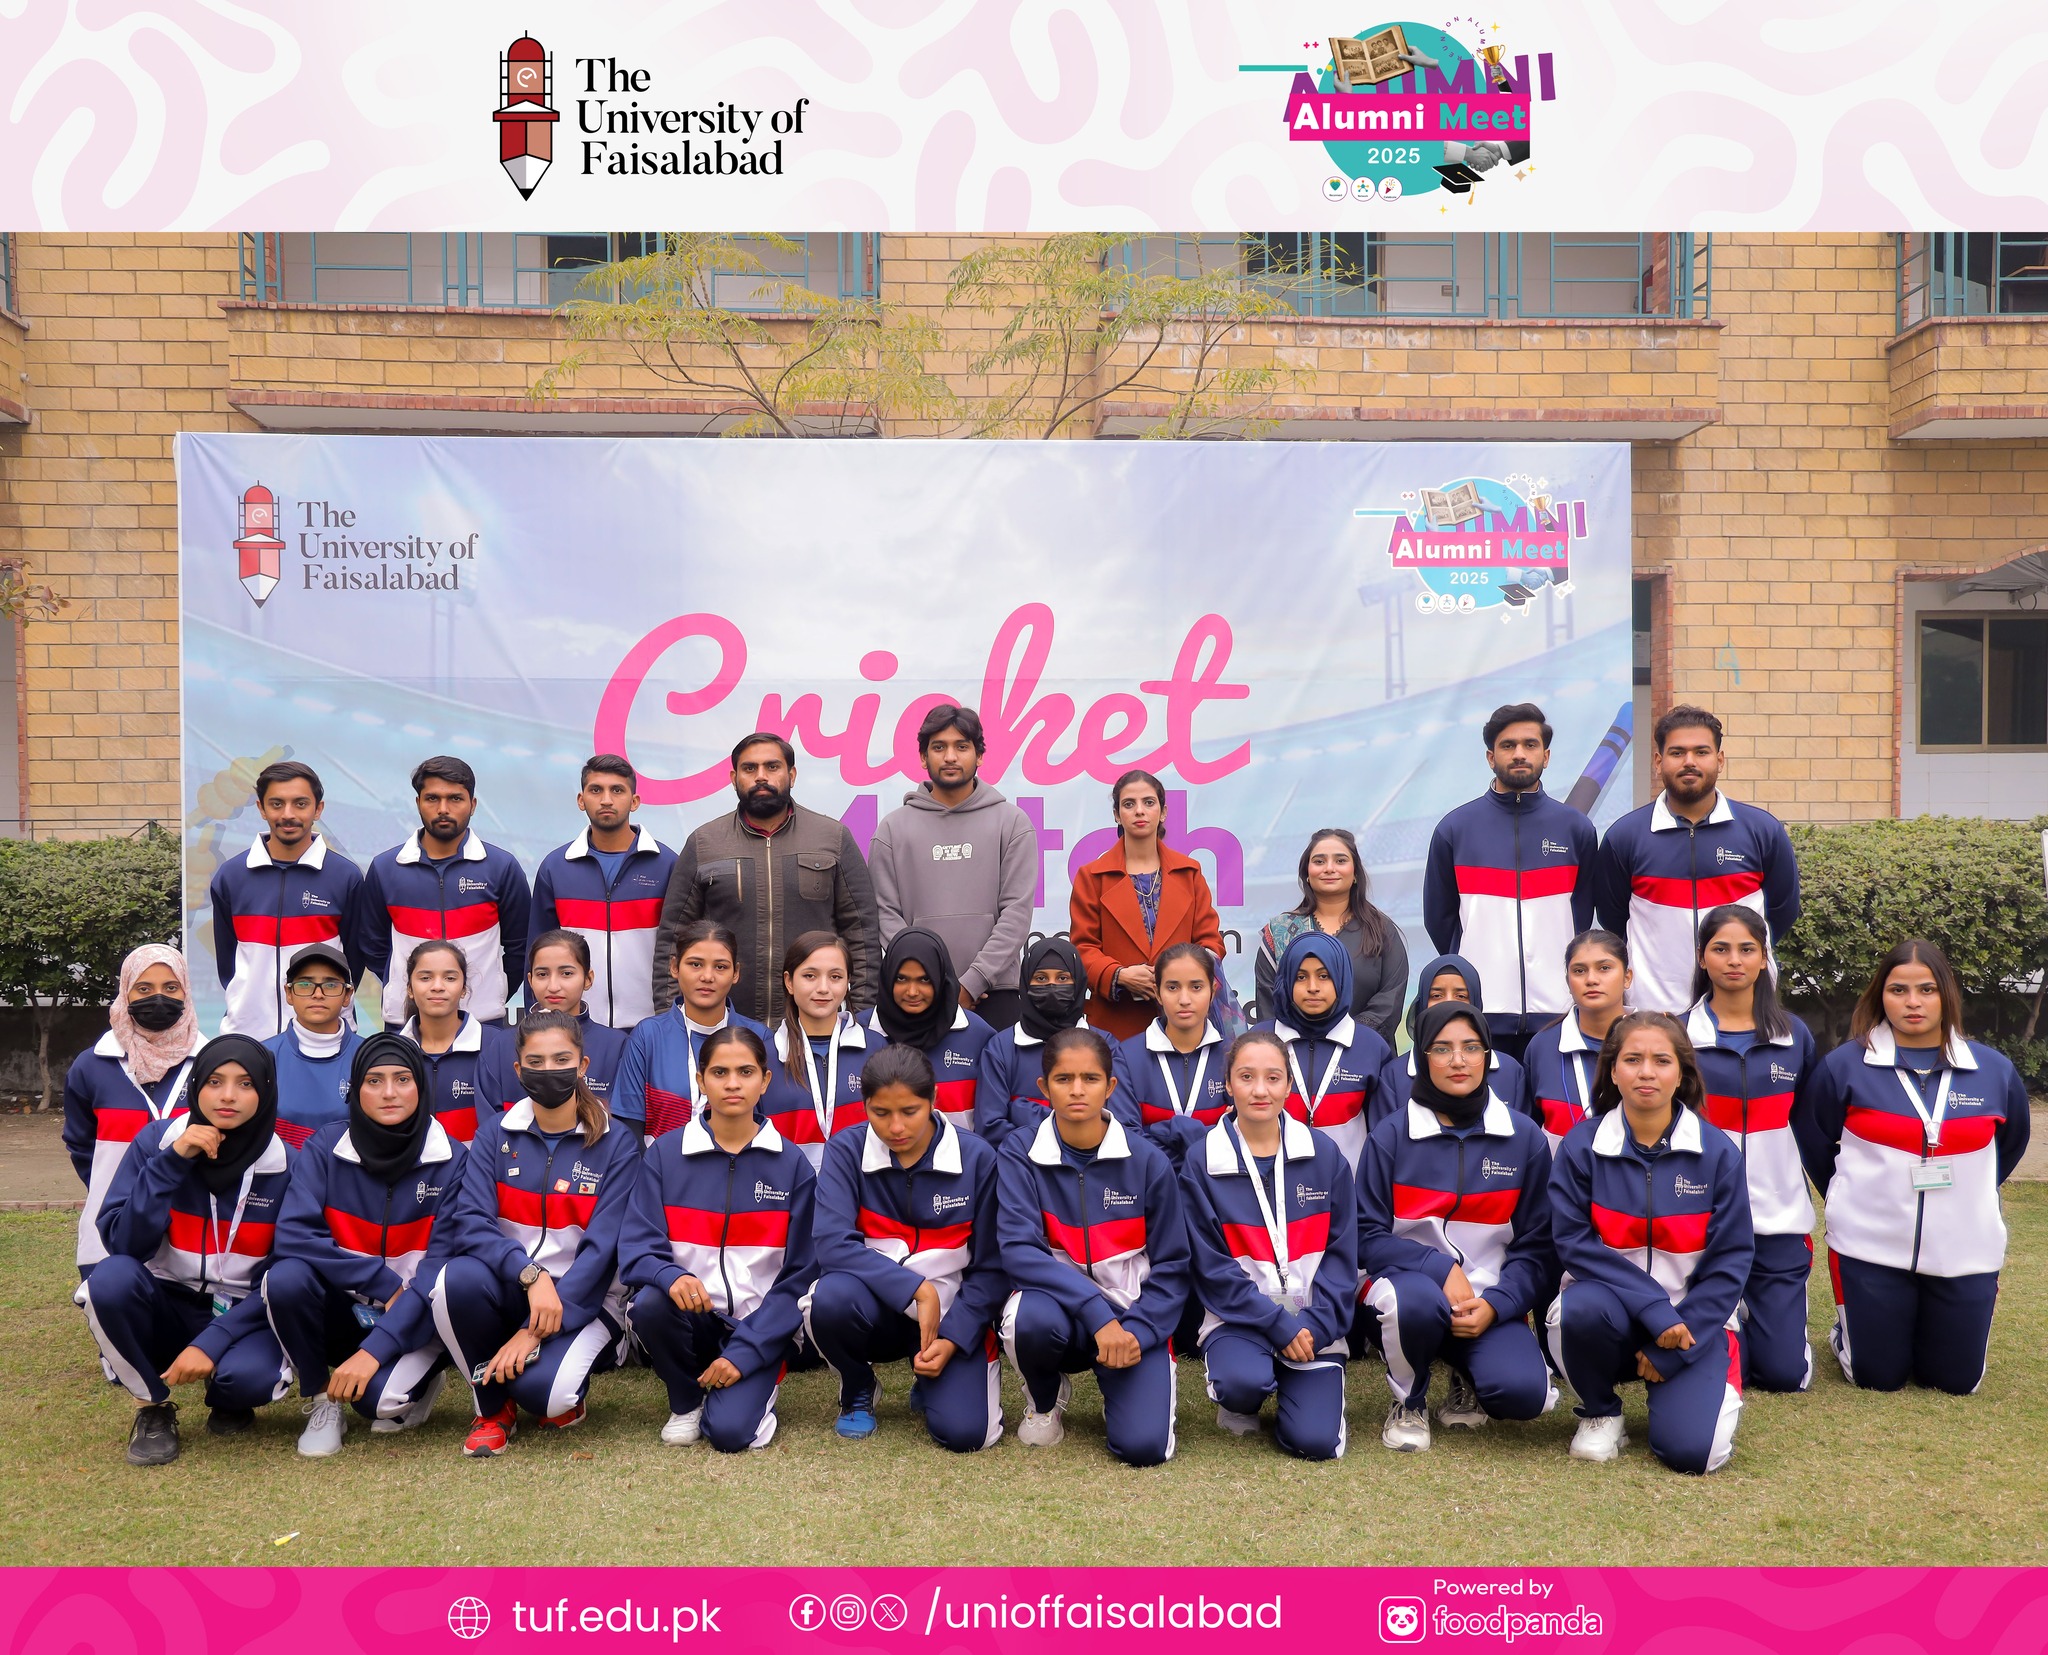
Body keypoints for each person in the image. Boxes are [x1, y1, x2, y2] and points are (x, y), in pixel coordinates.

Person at [1796, 939, 2030, 1396]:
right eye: (1898, 990)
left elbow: (2011, 1144)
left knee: (1957, 1381)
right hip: (1870, 1247)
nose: (1913, 1002)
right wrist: (1851, 1195)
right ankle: (1849, 1331)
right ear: (1880, 995)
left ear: (1947, 994)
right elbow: (1815, 1142)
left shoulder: (1993, 1071)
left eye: (1926, 989)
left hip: (1964, 1250)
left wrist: (1969, 1192)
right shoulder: (1844, 1067)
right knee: (1877, 1377)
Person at [1548, 1012, 1753, 1474]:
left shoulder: (1718, 1152)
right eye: (1632, 1059)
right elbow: (1574, 1243)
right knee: (1576, 1309)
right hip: (1610, 1312)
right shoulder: (1581, 1146)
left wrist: (1676, 1339)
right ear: (1612, 1070)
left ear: (1682, 1073)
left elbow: (1731, 1261)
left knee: (1695, 1455)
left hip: (1688, 1325)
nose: (1646, 1072)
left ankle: (1692, 1382)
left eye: (1661, 1060)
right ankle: (1601, 1411)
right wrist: (1653, 1307)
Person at [430, 1010, 641, 1456]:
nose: (549, 1071)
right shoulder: (494, 1133)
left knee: (546, 1396)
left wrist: (530, 1331)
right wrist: (530, 1275)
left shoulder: (617, 1142)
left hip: (584, 1299)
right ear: (518, 1069)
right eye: (536, 1062)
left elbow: (602, 1250)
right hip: (517, 1284)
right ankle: (491, 1410)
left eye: (562, 1060)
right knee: (453, 1280)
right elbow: (472, 1223)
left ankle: (541, 1379)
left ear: (583, 1066)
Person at [82, 1035, 294, 1465]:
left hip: (242, 1310)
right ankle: (152, 1406)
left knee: (251, 1380)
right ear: (196, 1085)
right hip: (166, 1301)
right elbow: (124, 1243)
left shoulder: (288, 1162)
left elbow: (287, 1272)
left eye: (245, 1084)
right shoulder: (157, 1142)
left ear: (267, 1091)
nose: (228, 1096)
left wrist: (215, 1340)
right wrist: (173, 1162)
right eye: (214, 1081)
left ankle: (228, 1391)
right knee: (109, 1279)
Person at [1358, 1002, 1557, 1453]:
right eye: (1442, 1048)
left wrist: (1498, 1304)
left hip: (1485, 1299)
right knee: (1415, 1302)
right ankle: (1409, 1400)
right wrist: (1437, 1267)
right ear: (1423, 1057)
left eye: (1471, 1047)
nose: (1458, 1060)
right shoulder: (1390, 1136)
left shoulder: (1524, 1137)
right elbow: (1364, 1235)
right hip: (1408, 1293)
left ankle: (1464, 1372)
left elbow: (1538, 1247)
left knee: (1523, 1396)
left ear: (1488, 1055)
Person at [996, 1028, 1190, 1465]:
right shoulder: (1019, 1151)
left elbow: (1173, 1266)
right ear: (1044, 1087)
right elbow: (1019, 1251)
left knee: (1144, 1449)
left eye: (1090, 1078)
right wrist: (1096, 1314)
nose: (1077, 1090)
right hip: (1058, 1309)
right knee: (1026, 1320)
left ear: (1111, 1086)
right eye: (1064, 1079)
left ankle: (1122, 1389)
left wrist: (1137, 1331)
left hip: (1130, 1316)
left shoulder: (1148, 1161)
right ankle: (1044, 1399)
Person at [620, 1026, 817, 1451]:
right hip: (691, 1316)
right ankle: (685, 1400)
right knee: (651, 1303)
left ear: (765, 1080)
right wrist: (670, 1275)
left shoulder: (793, 1164)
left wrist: (745, 1352)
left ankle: (757, 1373)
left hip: (757, 1325)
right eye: (719, 1072)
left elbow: (800, 1276)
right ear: (701, 1080)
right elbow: (636, 1247)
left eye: (746, 1072)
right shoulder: (665, 1154)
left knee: (730, 1435)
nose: (732, 1084)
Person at [266, 1033, 463, 1455]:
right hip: (346, 1306)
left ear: (421, 1087)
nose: (389, 1093)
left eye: (402, 1079)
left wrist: (372, 1352)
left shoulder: (453, 1159)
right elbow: (294, 1234)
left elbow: (438, 1269)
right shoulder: (325, 1146)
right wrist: (380, 1282)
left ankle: (423, 1377)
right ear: (355, 1089)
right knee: (286, 1278)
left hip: (416, 1313)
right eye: (374, 1081)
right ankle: (322, 1399)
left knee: (377, 1404)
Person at [805, 1044, 1006, 1450]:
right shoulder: (845, 1149)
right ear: (865, 1106)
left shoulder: (978, 1157)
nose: (895, 1127)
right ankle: (858, 1385)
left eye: (909, 1111)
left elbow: (993, 1267)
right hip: (873, 1306)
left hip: (949, 1316)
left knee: (967, 1436)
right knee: (827, 1299)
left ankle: (930, 1379)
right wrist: (916, 1289)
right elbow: (832, 1244)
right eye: (881, 1113)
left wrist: (954, 1335)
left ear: (934, 1100)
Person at [1179, 1030, 1355, 1460]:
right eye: (1246, 1077)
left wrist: (1314, 1326)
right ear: (1228, 1084)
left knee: (1316, 1444)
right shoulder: (1202, 1161)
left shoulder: (1325, 1155)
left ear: (1289, 1085)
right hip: (1239, 1320)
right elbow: (1212, 1269)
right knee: (1242, 1383)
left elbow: (1341, 1255)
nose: (1260, 1090)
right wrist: (1277, 1324)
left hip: (1313, 1323)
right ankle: (1241, 1400)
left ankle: (1304, 1390)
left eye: (1273, 1078)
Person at [651, 732, 880, 1027]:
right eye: (749, 768)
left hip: (814, 1026)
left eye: (772, 767)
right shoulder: (704, 843)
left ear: (792, 775)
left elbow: (861, 934)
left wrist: (860, 1017)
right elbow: (673, 937)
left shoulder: (833, 839)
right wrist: (669, 1022)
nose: (761, 776)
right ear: (734, 778)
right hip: (724, 1026)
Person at [1685, 906, 1819, 1393]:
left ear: (1765, 958)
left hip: (1777, 1220)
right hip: (1700, 1224)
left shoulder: (1794, 1036)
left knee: (1782, 1375)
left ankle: (1776, 1327)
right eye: (1720, 949)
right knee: (1714, 1367)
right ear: (1702, 958)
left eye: (1747, 949)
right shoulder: (1677, 1036)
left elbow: (1812, 1125)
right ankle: (1730, 1320)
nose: (1734, 960)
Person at [1594, 705, 1801, 1015]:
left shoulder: (1762, 830)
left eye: (1701, 752)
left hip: (1744, 1010)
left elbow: (1781, 913)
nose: (1689, 761)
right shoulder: (1625, 836)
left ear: (1720, 760)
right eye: (1677, 752)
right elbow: (1614, 919)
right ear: (1658, 761)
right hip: (1655, 1013)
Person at [1421, 702, 1598, 1062]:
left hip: (1558, 1013)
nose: (1519, 753)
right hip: (1480, 1015)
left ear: (1546, 756)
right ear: (1491, 757)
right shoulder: (1455, 828)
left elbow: (1582, 915)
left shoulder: (1575, 828)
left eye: (1530, 745)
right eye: (1508, 745)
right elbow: (1439, 919)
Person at [868, 705, 1040, 1029]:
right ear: (923, 757)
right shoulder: (891, 830)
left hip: (995, 993)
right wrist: (925, 978)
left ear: (979, 756)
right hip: (917, 995)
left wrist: (973, 982)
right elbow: (884, 914)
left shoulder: (1012, 823)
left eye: (961, 746)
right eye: (939, 747)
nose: (950, 757)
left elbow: (1016, 914)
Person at [356, 755, 532, 1027]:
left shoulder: (502, 867)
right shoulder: (385, 868)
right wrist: (405, 986)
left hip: (482, 1021)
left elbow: (521, 946)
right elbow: (372, 945)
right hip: (405, 1022)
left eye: (455, 799)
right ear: (418, 803)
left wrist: (489, 994)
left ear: (473, 805)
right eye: (432, 798)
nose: (443, 809)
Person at [63, 944, 203, 1282]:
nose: (158, 998)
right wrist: (117, 1191)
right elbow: (81, 1145)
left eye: (171, 987)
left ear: (186, 991)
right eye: (144, 988)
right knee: (113, 1299)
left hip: (191, 1225)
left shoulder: (211, 1062)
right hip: (110, 1226)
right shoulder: (91, 1065)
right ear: (125, 992)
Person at [206, 759, 364, 1039]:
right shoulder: (232, 876)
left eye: (300, 804)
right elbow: (228, 963)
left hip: (324, 1035)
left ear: (318, 809)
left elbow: (353, 961)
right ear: (261, 808)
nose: (288, 814)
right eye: (277, 804)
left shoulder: (345, 876)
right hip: (248, 1034)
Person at [1069, 769, 1225, 1044]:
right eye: (1129, 804)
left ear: (1163, 812)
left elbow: (1210, 942)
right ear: (1117, 815)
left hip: (1182, 1019)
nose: (1139, 811)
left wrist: (1178, 978)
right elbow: (1082, 948)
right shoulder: (1091, 876)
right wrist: (1119, 975)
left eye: (1149, 802)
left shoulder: (1189, 872)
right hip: (1115, 1024)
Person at [529, 754, 678, 1030]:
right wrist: (539, 1020)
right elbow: (536, 951)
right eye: (596, 790)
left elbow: (680, 949)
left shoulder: (667, 864)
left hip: (651, 1026)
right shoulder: (555, 867)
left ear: (634, 801)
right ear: (581, 800)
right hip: (573, 1026)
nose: (606, 800)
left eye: (617, 790)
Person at [612, 921, 772, 1142]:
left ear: (736, 973)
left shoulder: (759, 1037)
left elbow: (768, 1123)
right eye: (695, 964)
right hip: (661, 1164)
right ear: (674, 967)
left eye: (720, 967)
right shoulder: (647, 1036)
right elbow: (629, 1129)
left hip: (738, 1164)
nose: (707, 976)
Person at [975, 935, 1133, 1146]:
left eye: (1063, 978)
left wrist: (1022, 1112)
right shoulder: (1001, 1048)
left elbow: (1120, 1125)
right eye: (1041, 979)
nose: (1052, 986)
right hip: (1022, 1164)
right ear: (1025, 983)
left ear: (1078, 983)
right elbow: (991, 1129)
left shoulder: (1106, 1045)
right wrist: (1075, 1129)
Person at [1255, 828, 1408, 1044]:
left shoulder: (1382, 931)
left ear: (1355, 873)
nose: (1329, 868)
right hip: (1292, 1054)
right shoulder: (1280, 931)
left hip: (1363, 1052)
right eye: (1319, 861)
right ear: (1306, 873)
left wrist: (1346, 1041)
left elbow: (1389, 1000)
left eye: (1340, 860)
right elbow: (1268, 1004)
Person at [1257, 931, 1390, 1174]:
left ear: (1341, 978)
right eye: (1300, 977)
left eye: (1324, 976)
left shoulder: (1370, 1046)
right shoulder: (1258, 1042)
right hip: (1271, 1186)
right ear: (1286, 980)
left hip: (1349, 1187)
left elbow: (1384, 1136)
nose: (1313, 988)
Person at [474, 930, 629, 1117]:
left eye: (566, 973)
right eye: (542, 974)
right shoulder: (501, 1046)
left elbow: (623, 1121)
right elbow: (490, 1126)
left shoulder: (616, 1046)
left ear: (588, 979)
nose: (553, 986)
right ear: (530, 980)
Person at [1370, 953, 1528, 1131]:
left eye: (1461, 996)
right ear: (1422, 1003)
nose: (1449, 1003)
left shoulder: (1510, 1072)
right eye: (1437, 995)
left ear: (1476, 1002)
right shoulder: (1393, 1076)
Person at [867, 929, 996, 1137]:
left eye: (924, 980)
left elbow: (991, 1121)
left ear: (941, 978)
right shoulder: (861, 1032)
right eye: (901, 979)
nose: (912, 991)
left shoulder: (977, 1034)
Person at [1116, 942, 1233, 1170]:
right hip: (1151, 1185)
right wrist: (1206, 1140)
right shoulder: (1126, 1056)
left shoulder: (1233, 1056)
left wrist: (1160, 1131)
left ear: (1212, 991)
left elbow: (1239, 1135)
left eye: (1196, 987)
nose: (1184, 999)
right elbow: (1126, 1137)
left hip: (1217, 1186)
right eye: (1172, 987)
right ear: (1157, 993)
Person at [760, 932, 872, 1164]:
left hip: (859, 1184)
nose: (823, 988)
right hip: (787, 1185)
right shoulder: (765, 1057)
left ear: (848, 983)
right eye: (810, 976)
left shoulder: (875, 1049)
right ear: (789, 982)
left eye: (835, 977)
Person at [1519, 932, 1632, 1152]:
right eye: (1579, 971)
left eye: (1604, 968)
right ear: (1568, 981)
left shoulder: (1654, 1041)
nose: (1591, 979)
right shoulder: (1543, 1046)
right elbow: (1530, 1133)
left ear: (1627, 977)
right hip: (1560, 1173)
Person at [264, 941, 363, 1150]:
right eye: (305, 985)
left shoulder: (368, 1057)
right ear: (288, 993)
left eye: (330, 985)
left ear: (347, 995)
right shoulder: (264, 1057)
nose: (318, 994)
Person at [397, 940, 491, 1143]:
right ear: (410, 989)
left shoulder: (495, 1046)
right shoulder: (392, 1051)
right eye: (425, 978)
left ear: (464, 988)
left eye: (449, 978)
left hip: (477, 1164)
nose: (437, 987)